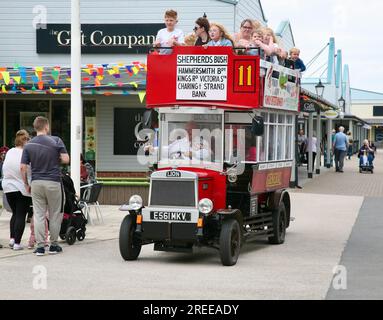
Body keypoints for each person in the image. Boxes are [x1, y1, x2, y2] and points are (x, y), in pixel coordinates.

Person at [20, 116, 70, 256]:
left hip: (36, 183)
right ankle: (54, 245)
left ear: (35, 128)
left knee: (39, 215)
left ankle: (40, 247)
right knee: (55, 214)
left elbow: (23, 167)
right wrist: (56, 157)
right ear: (46, 127)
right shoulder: (56, 140)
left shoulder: (28, 145)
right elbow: (66, 159)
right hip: (53, 182)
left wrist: (26, 183)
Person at [1, 130, 32, 250]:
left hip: (8, 187)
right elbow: (24, 169)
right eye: (28, 139)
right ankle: (17, 243)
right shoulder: (25, 153)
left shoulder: (9, 152)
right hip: (21, 188)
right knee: (21, 215)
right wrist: (26, 183)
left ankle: (12, 239)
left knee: (14, 213)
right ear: (25, 141)